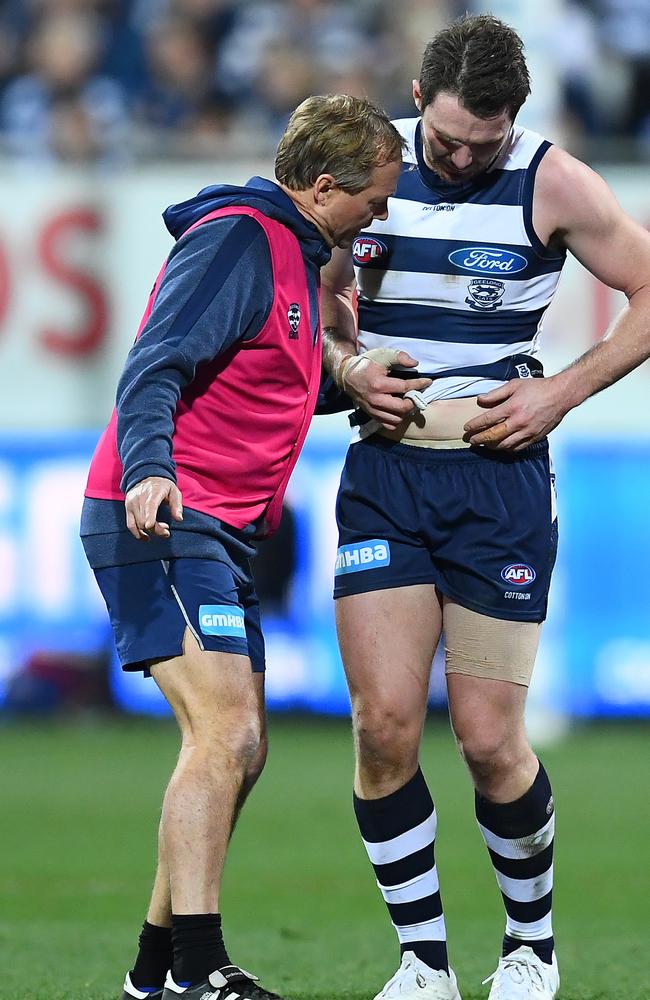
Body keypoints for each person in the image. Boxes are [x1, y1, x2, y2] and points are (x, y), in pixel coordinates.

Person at [320, 14, 650, 1000]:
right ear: (417, 101)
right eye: (449, 138)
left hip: (498, 477)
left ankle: (528, 947)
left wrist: (559, 390)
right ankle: (423, 963)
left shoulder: (550, 181)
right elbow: (310, 297)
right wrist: (345, 366)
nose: (465, 157)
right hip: (385, 467)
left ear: (516, 118)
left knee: (485, 737)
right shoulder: (360, 166)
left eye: (486, 140)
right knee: (382, 727)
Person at [80, 93, 403, 1000]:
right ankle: (198, 967)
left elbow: (270, 375)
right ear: (326, 185)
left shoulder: (294, 258)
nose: (377, 217)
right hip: (162, 512)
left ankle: (156, 971)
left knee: (239, 748)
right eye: (372, 201)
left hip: (218, 532)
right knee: (225, 731)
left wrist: (355, 387)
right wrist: (149, 466)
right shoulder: (237, 240)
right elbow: (157, 360)